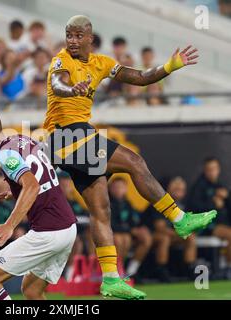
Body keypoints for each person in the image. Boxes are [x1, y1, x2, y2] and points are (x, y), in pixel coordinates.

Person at [44, 15, 217, 299]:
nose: (72, 41)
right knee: (134, 162)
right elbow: (57, 83)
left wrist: (170, 66)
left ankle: (110, 278)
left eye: (78, 36)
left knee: (101, 210)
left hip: (73, 139)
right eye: (69, 35)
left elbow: (139, 78)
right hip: (66, 137)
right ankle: (179, 217)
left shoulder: (101, 63)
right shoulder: (62, 60)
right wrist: (70, 88)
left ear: (90, 38)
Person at [0, 108, 77, 300]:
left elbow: (32, 186)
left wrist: (9, 225)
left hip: (48, 232)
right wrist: (16, 191)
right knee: (32, 291)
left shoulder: (4, 155)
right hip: (68, 228)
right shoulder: (20, 139)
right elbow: (42, 172)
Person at [144, 177, 197, 282]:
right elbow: (160, 228)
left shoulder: (184, 204)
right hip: (152, 235)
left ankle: (189, 268)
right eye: (176, 186)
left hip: (173, 235)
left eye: (181, 187)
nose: (179, 187)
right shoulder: (159, 201)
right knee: (165, 238)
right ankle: (161, 270)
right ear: (167, 188)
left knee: (190, 236)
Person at [188, 157, 231, 279]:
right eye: (209, 169)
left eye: (214, 169)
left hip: (222, 224)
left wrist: (227, 198)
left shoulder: (221, 186)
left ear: (218, 170)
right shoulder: (198, 187)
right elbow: (193, 207)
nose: (212, 172)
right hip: (205, 226)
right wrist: (213, 203)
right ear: (204, 170)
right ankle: (228, 268)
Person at [108, 177, 152, 280]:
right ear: (110, 189)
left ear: (126, 189)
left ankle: (132, 271)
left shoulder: (127, 204)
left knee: (146, 238)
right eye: (116, 187)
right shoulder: (108, 203)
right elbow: (110, 224)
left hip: (127, 234)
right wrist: (130, 230)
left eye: (121, 187)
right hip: (115, 234)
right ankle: (117, 270)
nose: (118, 190)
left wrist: (140, 228)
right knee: (122, 239)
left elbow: (134, 221)